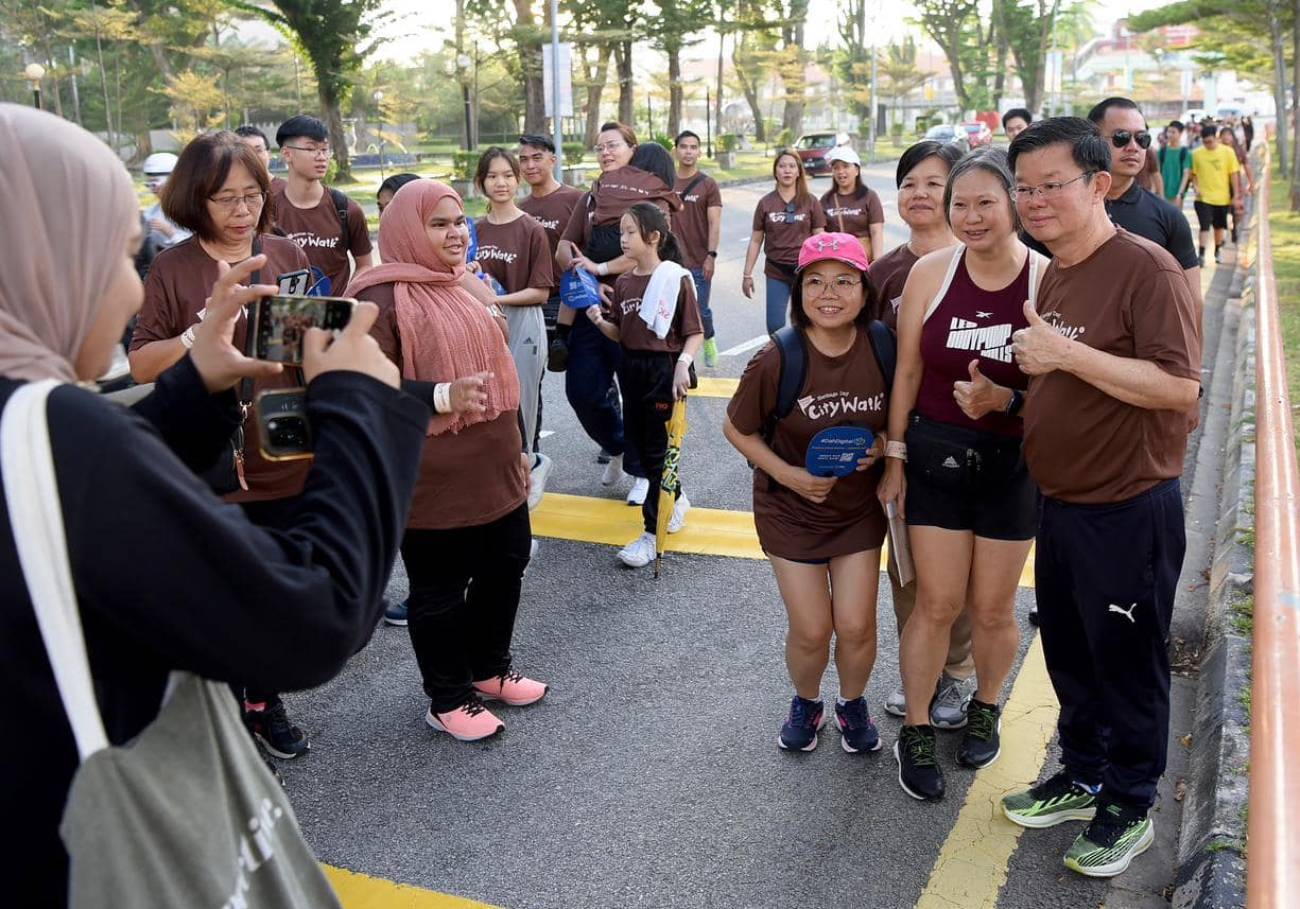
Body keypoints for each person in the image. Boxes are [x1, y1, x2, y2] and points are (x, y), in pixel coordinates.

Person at [1, 102, 427, 906]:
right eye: (115, 258)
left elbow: (83, 516)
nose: (130, 287)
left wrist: (196, 383)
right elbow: (312, 618)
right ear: (38, 262)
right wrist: (359, 402)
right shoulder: (57, 429)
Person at [1002, 116, 1200, 879]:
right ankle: (1082, 773)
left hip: (1128, 506)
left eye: (1053, 185)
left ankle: (1130, 800)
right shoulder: (1058, 268)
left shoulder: (1146, 269)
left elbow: (1179, 387)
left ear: (1100, 185)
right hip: (1062, 502)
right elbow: (1070, 374)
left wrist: (1063, 354)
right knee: (1072, 652)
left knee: (1127, 660)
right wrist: (1010, 394)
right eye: (1025, 187)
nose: (1035, 201)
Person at [128, 131, 316, 761]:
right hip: (207, 439)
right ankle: (234, 704)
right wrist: (199, 335)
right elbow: (143, 364)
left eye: (252, 196)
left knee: (279, 575)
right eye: (225, 199)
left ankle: (263, 698)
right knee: (225, 579)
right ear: (195, 202)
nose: (242, 211)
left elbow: (303, 346)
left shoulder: (285, 251)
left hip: (283, 421)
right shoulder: (173, 267)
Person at [348, 179, 549, 742]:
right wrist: (440, 395)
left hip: (497, 463)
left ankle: (488, 669)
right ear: (408, 230)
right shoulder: (377, 299)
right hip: (428, 475)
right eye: (439, 224)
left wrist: (521, 447)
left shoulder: (466, 285)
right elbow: (360, 391)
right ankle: (447, 698)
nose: (456, 233)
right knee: (439, 589)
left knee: (505, 565)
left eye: (459, 221)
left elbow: (502, 378)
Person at [878, 148, 1046, 802]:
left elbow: (1060, 385)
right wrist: (893, 458)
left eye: (985, 202)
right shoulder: (930, 273)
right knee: (937, 603)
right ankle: (916, 728)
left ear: (1015, 204)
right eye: (960, 204)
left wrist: (1008, 401)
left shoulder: (1046, 279)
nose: (970, 216)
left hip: (1014, 462)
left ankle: (986, 703)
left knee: (993, 607)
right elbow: (910, 373)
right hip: (936, 454)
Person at [724, 232, 889, 753]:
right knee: (814, 628)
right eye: (815, 282)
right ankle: (808, 700)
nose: (829, 293)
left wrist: (883, 445)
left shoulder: (884, 344)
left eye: (845, 281)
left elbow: (903, 418)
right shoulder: (779, 356)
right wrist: (791, 475)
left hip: (857, 510)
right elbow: (737, 429)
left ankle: (852, 703)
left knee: (857, 624)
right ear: (799, 292)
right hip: (790, 511)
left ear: (865, 291)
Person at [865, 139, 975, 724]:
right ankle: (919, 671)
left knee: (967, 574)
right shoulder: (882, 273)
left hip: (977, 445)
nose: (919, 194)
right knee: (907, 567)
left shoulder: (987, 262)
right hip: (902, 446)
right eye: (909, 182)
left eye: (934, 182)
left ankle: (957, 674)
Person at [584, 202, 704, 567]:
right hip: (631, 368)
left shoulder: (675, 278)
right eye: (621, 232)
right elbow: (620, 332)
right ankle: (675, 497)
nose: (622, 239)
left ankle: (653, 533)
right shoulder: (623, 282)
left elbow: (694, 332)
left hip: (662, 370)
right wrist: (597, 319)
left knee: (656, 452)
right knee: (641, 446)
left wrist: (683, 365)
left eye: (630, 232)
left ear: (654, 237)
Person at [552, 122, 656, 504]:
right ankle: (618, 447)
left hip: (636, 310)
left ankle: (643, 471)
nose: (605, 153)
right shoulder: (591, 198)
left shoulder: (651, 197)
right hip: (590, 308)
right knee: (582, 392)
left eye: (613, 145)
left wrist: (604, 269)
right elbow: (564, 246)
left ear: (632, 149)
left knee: (638, 394)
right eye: (599, 148)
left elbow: (650, 254)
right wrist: (583, 270)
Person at [472, 147, 555, 507]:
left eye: (507, 175)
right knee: (488, 406)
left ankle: (530, 465)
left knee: (521, 406)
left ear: (517, 180)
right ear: (481, 183)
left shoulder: (531, 229)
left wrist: (495, 300)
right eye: (492, 176)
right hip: (483, 325)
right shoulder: (471, 230)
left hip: (523, 323)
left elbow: (540, 291)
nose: (501, 183)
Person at [1087, 99, 1201, 320]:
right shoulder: (1063, 210)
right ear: (1091, 142)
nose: (1133, 147)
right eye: (1121, 137)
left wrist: (1192, 355)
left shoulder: (1169, 218)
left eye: (1142, 139)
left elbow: (1193, 303)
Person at [271, 115, 373, 295]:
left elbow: (365, 265)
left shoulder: (347, 209)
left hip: (334, 318)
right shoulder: (267, 211)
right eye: (311, 149)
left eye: (325, 150)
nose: (321, 157)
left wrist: (347, 297)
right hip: (283, 315)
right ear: (287, 154)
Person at [743, 150, 827, 333]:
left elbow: (820, 238)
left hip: (804, 272)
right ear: (775, 172)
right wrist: (747, 274)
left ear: (798, 172)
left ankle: (803, 359)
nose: (787, 170)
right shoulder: (766, 203)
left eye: (791, 166)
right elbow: (756, 239)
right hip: (776, 271)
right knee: (774, 326)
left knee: (803, 324)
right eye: (782, 166)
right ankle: (780, 359)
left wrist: (822, 271)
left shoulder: (811, 202)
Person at [518, 133, 585, 350]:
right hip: (531, 300)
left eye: (537, 158)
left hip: (569, 300)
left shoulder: (577, 200)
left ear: (552, 161)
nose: (530, 165)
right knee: (530, 376)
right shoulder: (519, 208)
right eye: (523, 159)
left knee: (581, 372)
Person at [672, 130, 724, 367]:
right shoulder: (665, 181)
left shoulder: (708, 184)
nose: (688, 151)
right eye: (684, 146)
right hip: (670, 262)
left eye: (693, 147)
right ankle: (684, 362)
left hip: (698, 260)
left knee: (700, 311)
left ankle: (709, 338)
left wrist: (711, 256)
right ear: (676, 150)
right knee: (674, 314)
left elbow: (714, 223)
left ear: (699, 152)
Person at [819, 146, 886, 262]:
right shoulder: (826, 200)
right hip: (836, 261)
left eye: (845, 166)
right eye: (836, 168)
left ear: (857, 170)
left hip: (864, 260)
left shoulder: (869, 196)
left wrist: (877, 262)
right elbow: (819, 233)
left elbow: (876, 231)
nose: (840, 172)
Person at [1190, 123, 1244, 265]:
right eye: (1205, 142)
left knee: (1219, 227)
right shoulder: (1196, 154)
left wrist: (1236, 195)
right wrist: (1196, 187)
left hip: (1222, 198)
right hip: (1203, 198)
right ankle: (1201, 255)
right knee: (1204, 226)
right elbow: (1193, 174)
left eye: (1210, 141)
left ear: (1216, 138)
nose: (1208, 144)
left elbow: (1234, 174)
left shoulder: (1227, 152)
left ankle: (1217, 251)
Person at [141, 152, 191, 252]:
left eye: (155, 184)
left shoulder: (190, 211)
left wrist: (170, 233)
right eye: (149, 184)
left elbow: (197, 249)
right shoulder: (152, 212)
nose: (153, 189)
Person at [1219, 126, 1255, 245]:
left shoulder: (1238, 150)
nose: (1226, 137)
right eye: (1223, 135)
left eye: (1229, 135)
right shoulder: (1217, 151)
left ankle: (1234, 229)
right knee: (1222, 212)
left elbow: (1247, 166)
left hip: (1236, 184)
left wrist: (1251, 183)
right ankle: (1222, 234)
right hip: (1221, 185)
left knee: (1237, 210)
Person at [1158, 122, 1192, 205]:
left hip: (1177, 195)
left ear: (1180, 134)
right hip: (1162, 194)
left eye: (1173, 132)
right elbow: (1157, 172)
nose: (1170, 135)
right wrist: (1159, 192)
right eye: (1168, 132)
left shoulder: (1185, 153)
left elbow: (1186, 175)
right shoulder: (1162, 151)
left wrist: (1180, 194)